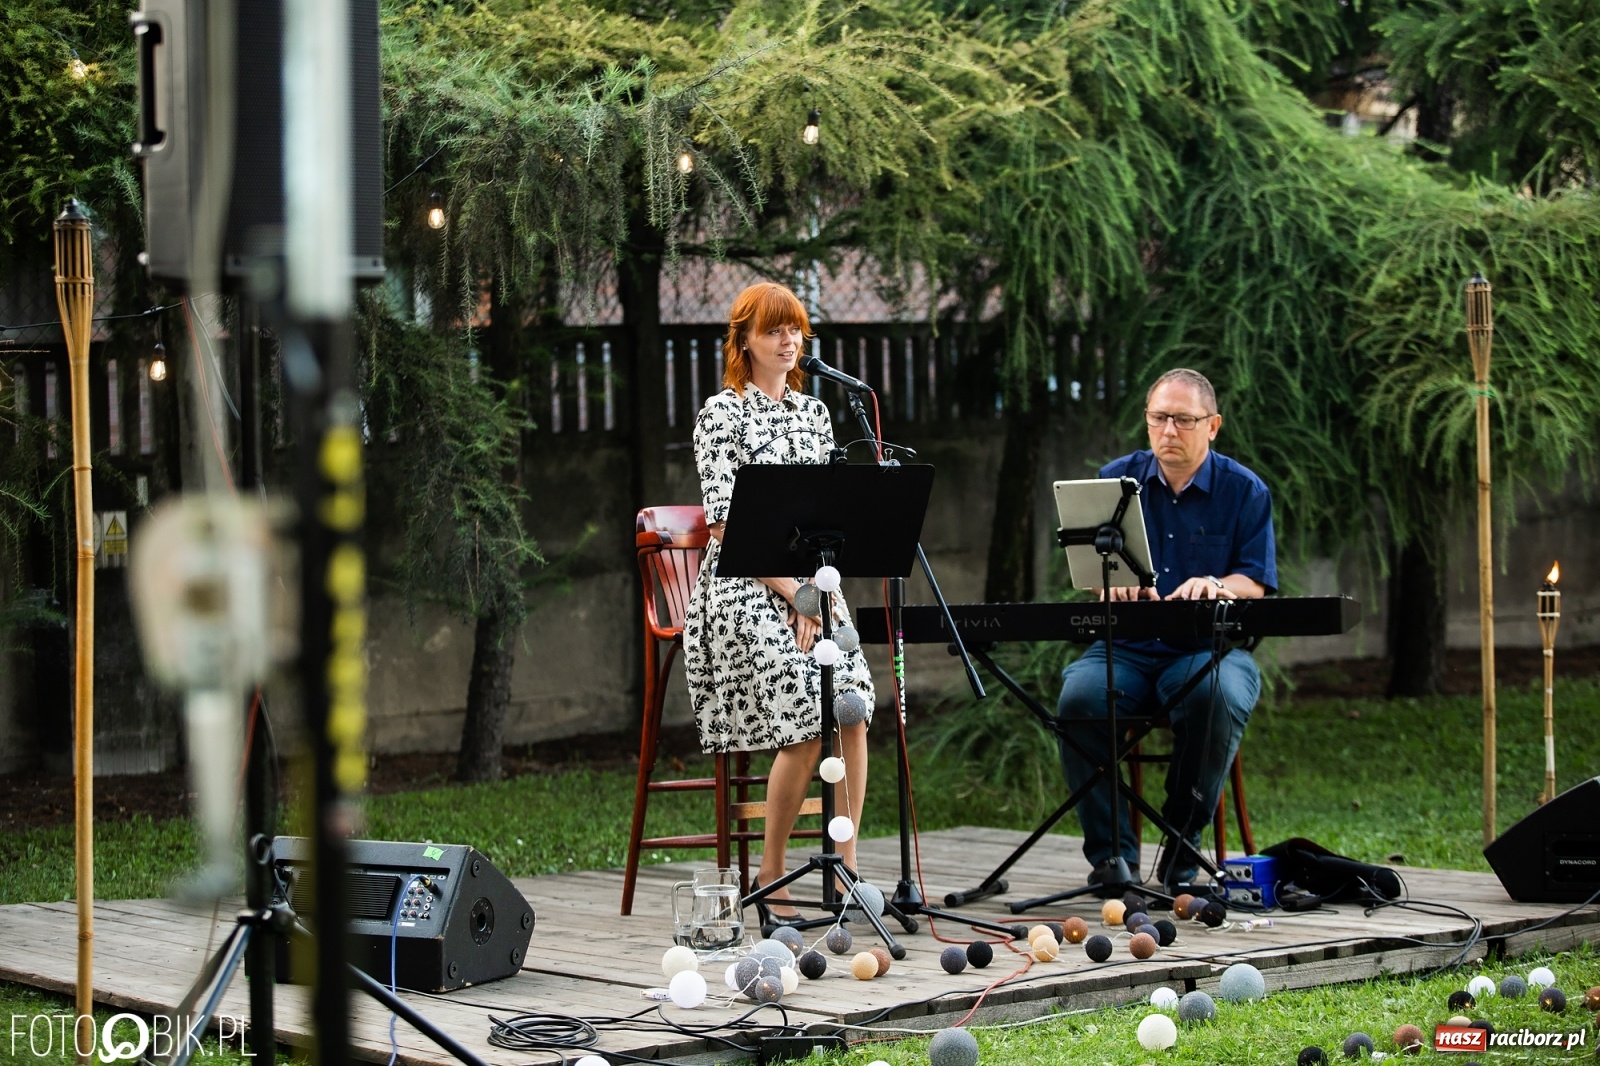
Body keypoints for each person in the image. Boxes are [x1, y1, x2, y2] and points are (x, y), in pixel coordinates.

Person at [682, 282, 874, 924]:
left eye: (795, 330)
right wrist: (795, 593)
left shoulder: (814, 414)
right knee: (804, 707)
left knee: (852, 702)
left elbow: (827, 516)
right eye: (773, 331)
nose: (789, 341)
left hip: (812, 582)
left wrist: (817, 591)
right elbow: (725, 527)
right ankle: (771, 871)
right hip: (741, 586)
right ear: (744, 341)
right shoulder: (721, 414)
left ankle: (846, 865)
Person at [1055, 367, 1277, 891]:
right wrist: (1108, 586)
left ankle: (1181, 849)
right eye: (1159, 418)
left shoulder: (1245, 491)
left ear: (1213, 425)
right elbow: (1090, 572)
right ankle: (1112, 860)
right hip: (1126, 649)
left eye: (1183, 419)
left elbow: (1257, 582)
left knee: (1214, 695)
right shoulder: (1117, 480)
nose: (1169, 431)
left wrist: (1218, 584)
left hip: (1209, 649)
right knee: (1078, 699)